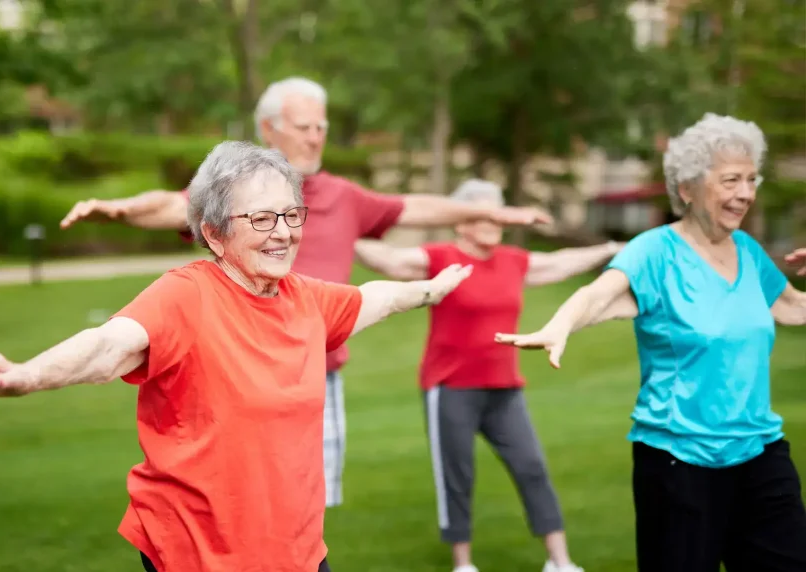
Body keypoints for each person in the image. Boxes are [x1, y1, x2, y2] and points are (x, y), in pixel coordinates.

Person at [0, 141, 473, 572]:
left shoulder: (305, 298)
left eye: (291, 215)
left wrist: (429, 290)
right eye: (260, 220)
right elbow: (110, 346)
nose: (282, 233)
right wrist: (22, 376)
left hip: (296, 553)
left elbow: (372, 298)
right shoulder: (185, 296)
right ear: (212, 234)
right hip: (199, 553)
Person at [58, 76, 553, 509]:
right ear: (269, 128)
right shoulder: (238, 194)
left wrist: (492, 214)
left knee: (306, 501)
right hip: (238, 377)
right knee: (237, 497)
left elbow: (419, 207)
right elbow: (169, 205)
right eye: (303, 126)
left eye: (321, 127)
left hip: (318, 375)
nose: (316, 137)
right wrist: (116, 209)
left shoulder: (346, 197)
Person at [495, 113, 806, 572]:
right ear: (687, 189)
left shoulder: (748, 252)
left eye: (750, 179)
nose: (745, 193)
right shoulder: (654, 251)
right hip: (679, 462)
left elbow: (795, 308)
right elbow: (598, 295)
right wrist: (559, 325)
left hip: (760, 453)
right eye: (731, 180)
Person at [353, 178, 620, 572]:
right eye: (483, 213)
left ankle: (560, 561)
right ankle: (464, 565)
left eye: (498, 211)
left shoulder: (514, 260)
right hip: (450, 389)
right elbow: (389, 260)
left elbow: (561, 262)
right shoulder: (441, 256)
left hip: (504, 390)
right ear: (462, 221)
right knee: (457, 478)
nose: (494, 220)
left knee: (532, 469)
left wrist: (613, 249)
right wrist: (338, 230)